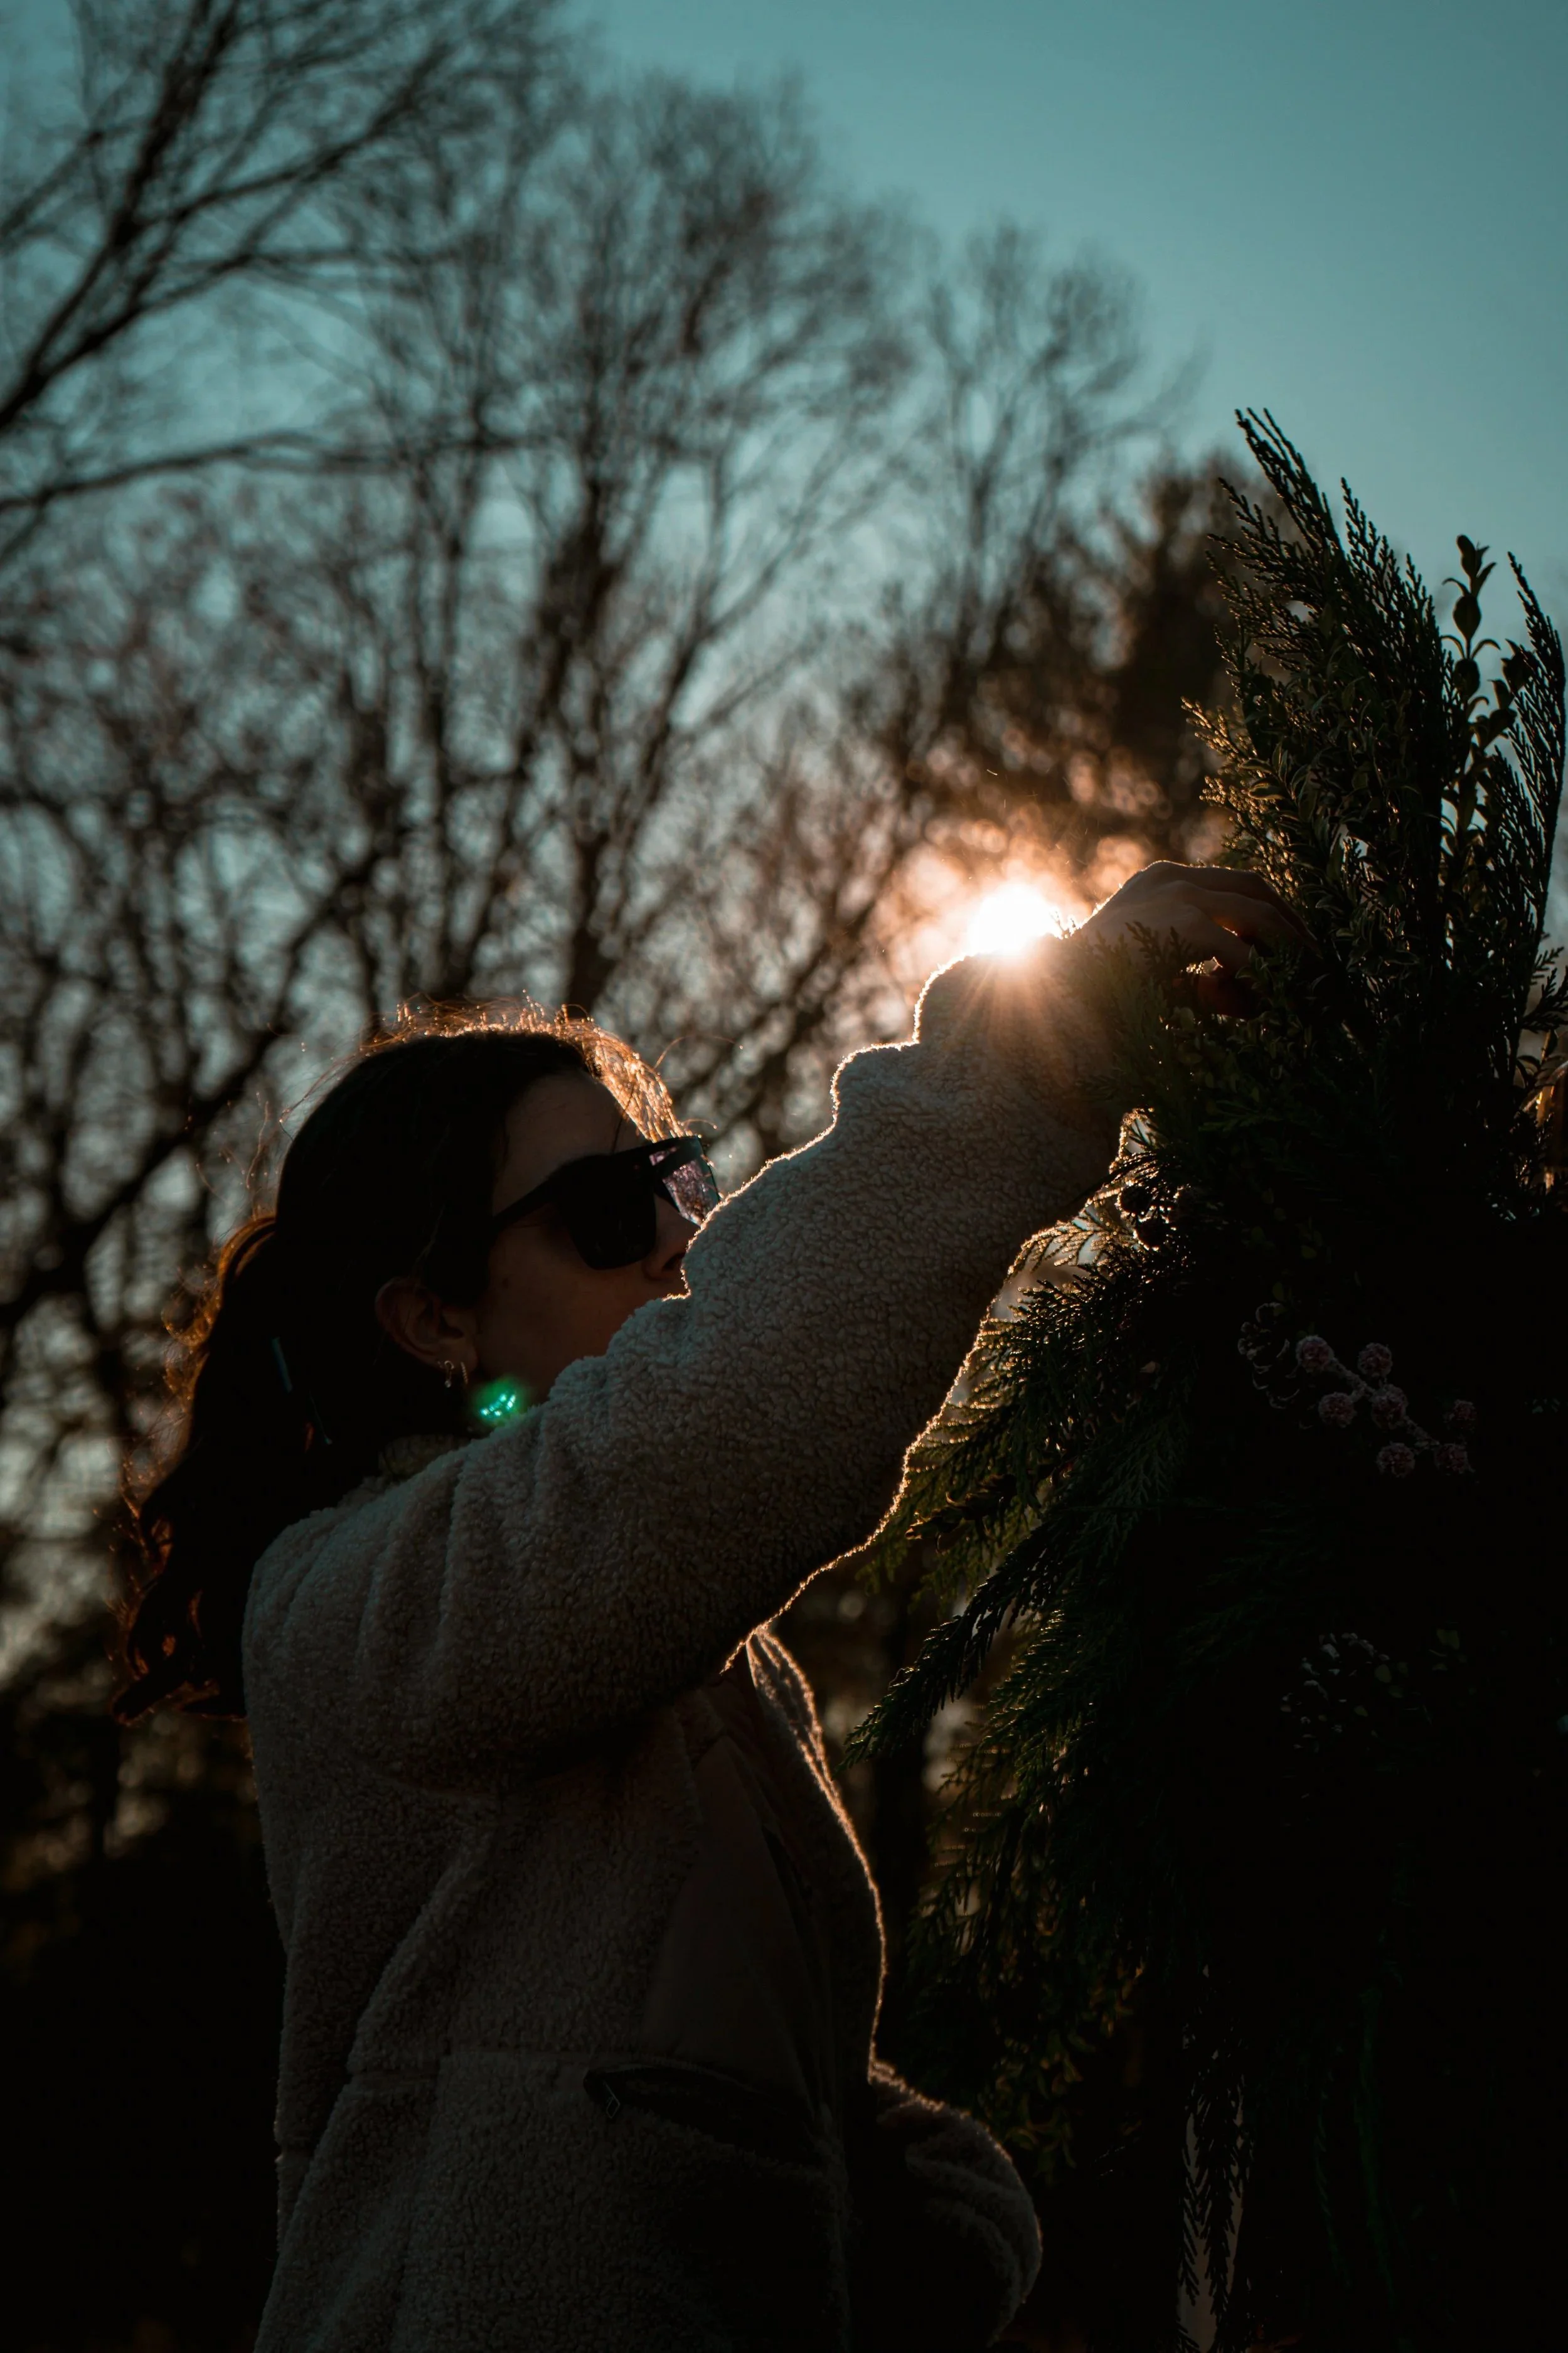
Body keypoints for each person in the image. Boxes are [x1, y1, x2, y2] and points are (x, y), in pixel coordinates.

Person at [119, 862, 1302, 2352]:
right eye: (606, 1207)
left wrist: (927, 2196)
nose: (682, 1234)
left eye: (675, 1177)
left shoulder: (699, 1661)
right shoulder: (352, 1603)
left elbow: (706, 2055)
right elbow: (723, 1414)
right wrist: (1041, 1042)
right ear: (434, 1317)